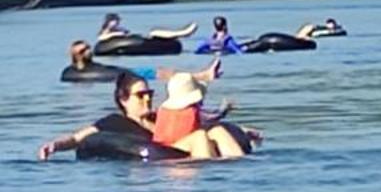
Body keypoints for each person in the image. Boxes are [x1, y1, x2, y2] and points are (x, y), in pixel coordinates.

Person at [39, 70, 189, 161]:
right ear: (124, 100)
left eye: (149, 94)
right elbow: (77, 138)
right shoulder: (114, 122)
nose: (147, 99)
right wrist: (55, 146)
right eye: (141, 95)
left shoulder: (161, 117)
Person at [151, 70, 257, 159]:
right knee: (201, 135)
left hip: (174, 145)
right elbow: (210, 119)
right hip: (172, 149)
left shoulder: (164, 110)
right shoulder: (190, 110)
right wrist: (226, 112)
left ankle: (238, 160)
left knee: (216, 130)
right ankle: (233, 162)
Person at [97, 11, 198, 46]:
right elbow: (101, 38)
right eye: (115, 21)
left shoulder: (120, 29)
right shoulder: (106, 32)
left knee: (155, 33)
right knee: (155, 32)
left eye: (118, 21)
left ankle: (182, 33)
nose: (117, 23)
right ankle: (184, 33)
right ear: (109, 22)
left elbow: (127, 34)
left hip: (141, 40)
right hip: (134, 43)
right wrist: (117, 34)